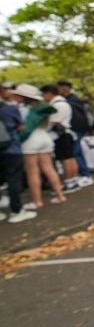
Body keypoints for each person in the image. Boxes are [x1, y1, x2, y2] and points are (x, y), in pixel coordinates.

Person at [14, 84, 67, 209]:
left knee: (32, 172)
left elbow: (23, 128)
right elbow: (47, 125)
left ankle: (37, 201)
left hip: (30, 141)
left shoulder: (23, 109)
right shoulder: (43, 108)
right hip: (44, 137)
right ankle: (60, 196)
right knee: (49, 168)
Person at [0, 83, 36, 223]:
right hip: (11, 148)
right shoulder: (10, 109)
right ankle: (16, 211)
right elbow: (21, 127)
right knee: (13, 179)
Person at [40, 84, 80, 194]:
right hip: (66, 134)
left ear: (48, 93)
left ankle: (68, 183)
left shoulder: (56, 105)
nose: (43, 97)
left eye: (43, 94)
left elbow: (53, 123)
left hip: (60, 135)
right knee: (70, 158)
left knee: (65, 159)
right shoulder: (64, 103)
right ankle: (73, 181)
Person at [57, 81, 94, 187]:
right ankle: (84, 174)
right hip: (78, 130)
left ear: (64, 89)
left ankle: (85, 175)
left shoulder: (69, 102)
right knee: (77, 153)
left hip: (75, 130)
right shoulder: (75, 100)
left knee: (75, 153)